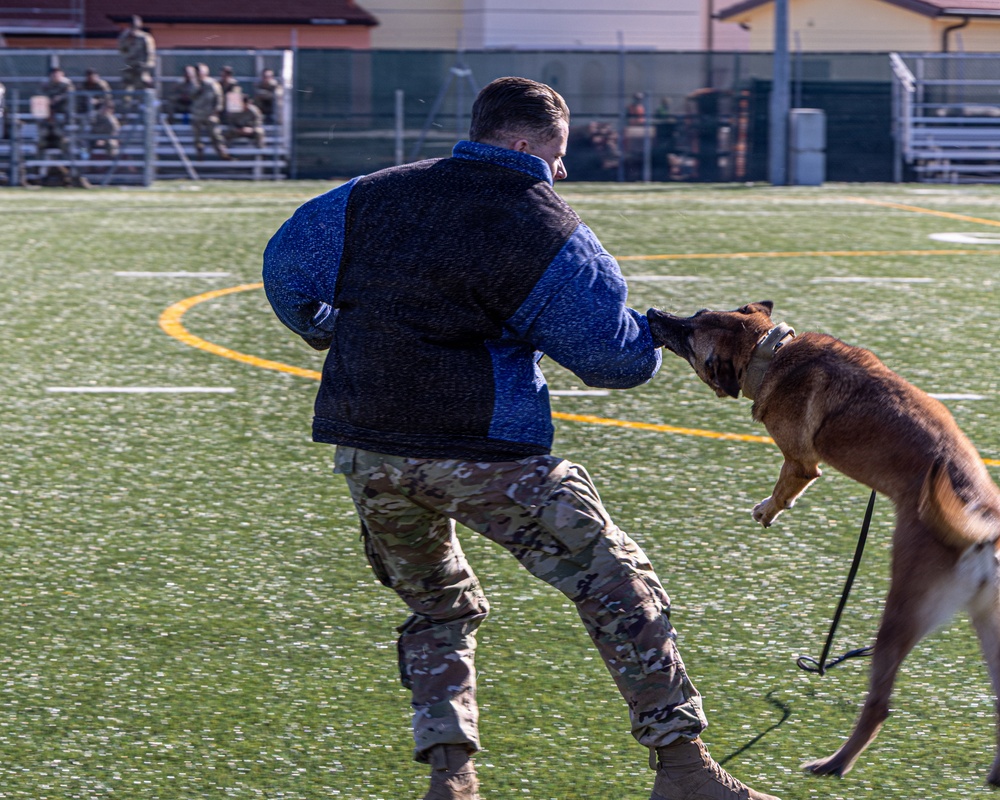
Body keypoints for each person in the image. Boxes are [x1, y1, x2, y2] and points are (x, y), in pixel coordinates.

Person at [262, 76, 780, 800]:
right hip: (481, 447)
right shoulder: (549, 226)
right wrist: (662, 337)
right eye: (558, 152)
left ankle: (453, 777)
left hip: (369, 445)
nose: (562, 169)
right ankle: (685, 772)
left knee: (439, 607)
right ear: (524, 143)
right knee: (618, 583)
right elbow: (611, 363)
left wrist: (325, 328)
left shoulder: (368, 194)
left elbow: (285, 269)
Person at [190, 63, 230, 160]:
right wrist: (198, 89)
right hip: (198, 114)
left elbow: (219, 98)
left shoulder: (212, 84)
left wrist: (216, 110)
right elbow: (191, 96)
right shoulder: (194, 84)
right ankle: (199, 151)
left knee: (215, 132)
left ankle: (221, 151)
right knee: (196, 134)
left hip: (210, 114)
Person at [117, 15, 156, 93]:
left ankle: (145, 104)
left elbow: (150, 53)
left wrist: (147, 65)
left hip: (141, 67)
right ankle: (126, 104)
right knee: (125, 87)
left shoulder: (145, 37)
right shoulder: (124, 37)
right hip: (129, 66)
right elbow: (122, 51)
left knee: (144, 85)